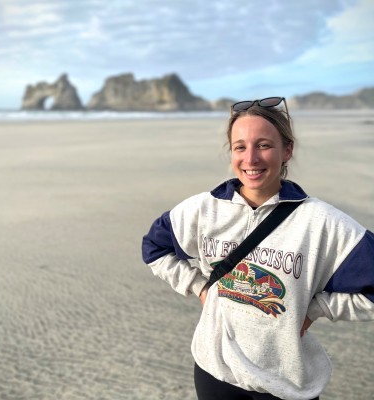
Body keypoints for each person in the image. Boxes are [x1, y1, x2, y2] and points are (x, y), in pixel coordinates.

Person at [141, 97, 374, 400]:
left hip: (284, 383)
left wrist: (318, 308)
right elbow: (155, 248)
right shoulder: (204, 210)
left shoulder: (321, 223)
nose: (250, 159)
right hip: (215, 371)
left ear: (287, 150)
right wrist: (199, 288)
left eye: (263, 145)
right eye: (240, 147)